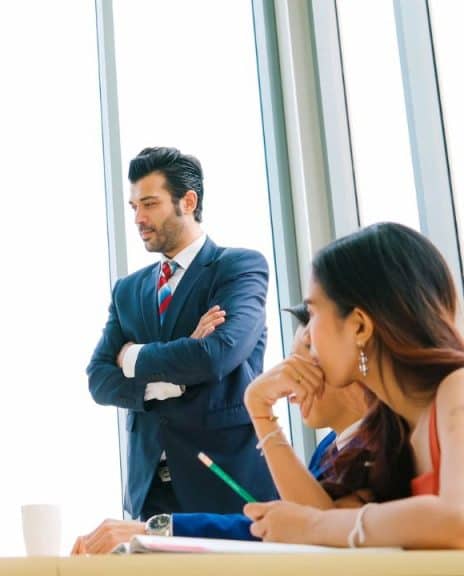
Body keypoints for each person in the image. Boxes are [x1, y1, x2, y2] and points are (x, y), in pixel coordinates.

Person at [73, 304, 413, 553]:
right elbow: (293, 528)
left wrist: (260, 410)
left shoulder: (390, 445)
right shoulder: (330, 448)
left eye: (306, 354)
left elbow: (315, 531)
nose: (289, 379)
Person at [245, 222, 464, 549]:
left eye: (314, 312)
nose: (307, 335)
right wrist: (259, 411)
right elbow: (329, 529)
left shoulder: (457, 389)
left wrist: (312, 525)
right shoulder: (391, 429)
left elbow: (457, 521)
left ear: (360, 326)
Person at [87, 146, 275, 520]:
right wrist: (169, 375)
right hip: (149, 493)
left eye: (150, 204)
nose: (138, 217)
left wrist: (133, 357)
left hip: (225, 485)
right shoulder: (129, 290)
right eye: (133, 206)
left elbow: (215, 355)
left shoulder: (238, 268)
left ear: (188, 201)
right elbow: (99, 379)